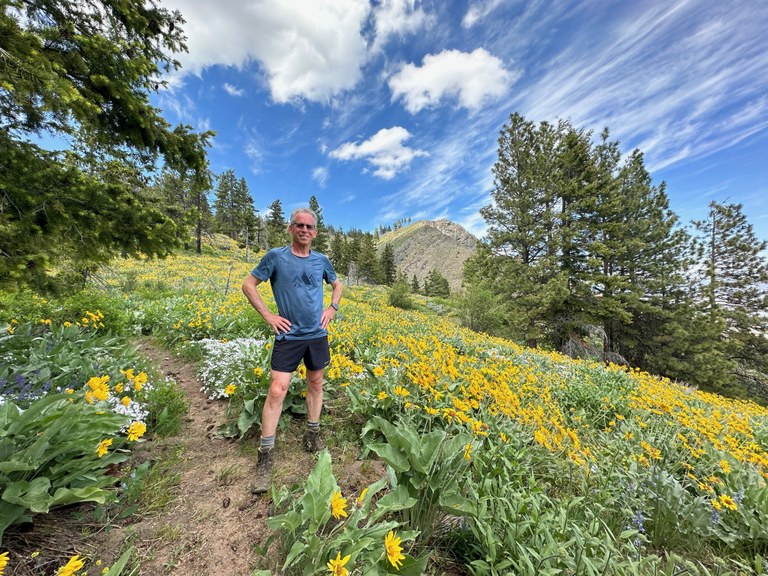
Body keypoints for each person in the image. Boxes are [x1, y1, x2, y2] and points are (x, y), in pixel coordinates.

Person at [242, 207, 342, 494]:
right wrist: (269, 316)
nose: (305, 230)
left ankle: (312, 433)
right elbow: (248, 285)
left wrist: (332, 308)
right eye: (299, 225)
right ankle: (266, 455)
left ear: (315, 232)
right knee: (277, 390)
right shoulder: (276, 257)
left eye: (310, 227)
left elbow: (337, 284)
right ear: (290, 228)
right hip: (289, 335)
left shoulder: (321, 260)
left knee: (316, 382)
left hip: (317, 335)